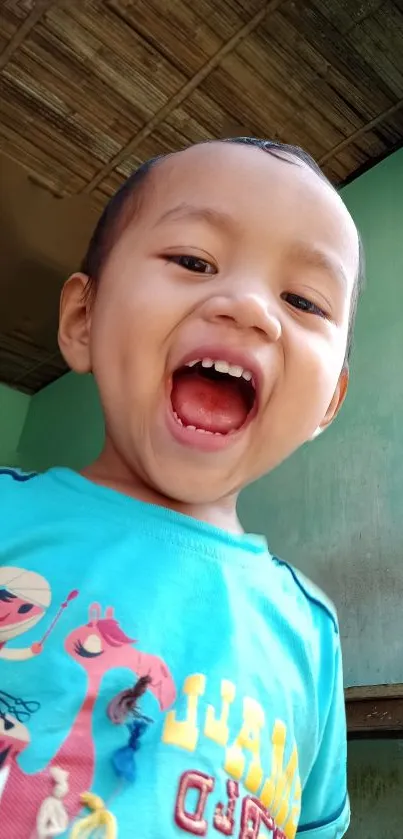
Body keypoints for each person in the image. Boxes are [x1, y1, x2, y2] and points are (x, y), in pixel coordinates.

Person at [0, 138, 362, 839]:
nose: (251, 308)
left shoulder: (310, 638)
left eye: (302, 299)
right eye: (193, 261)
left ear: (326, 404)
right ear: (83, 319)